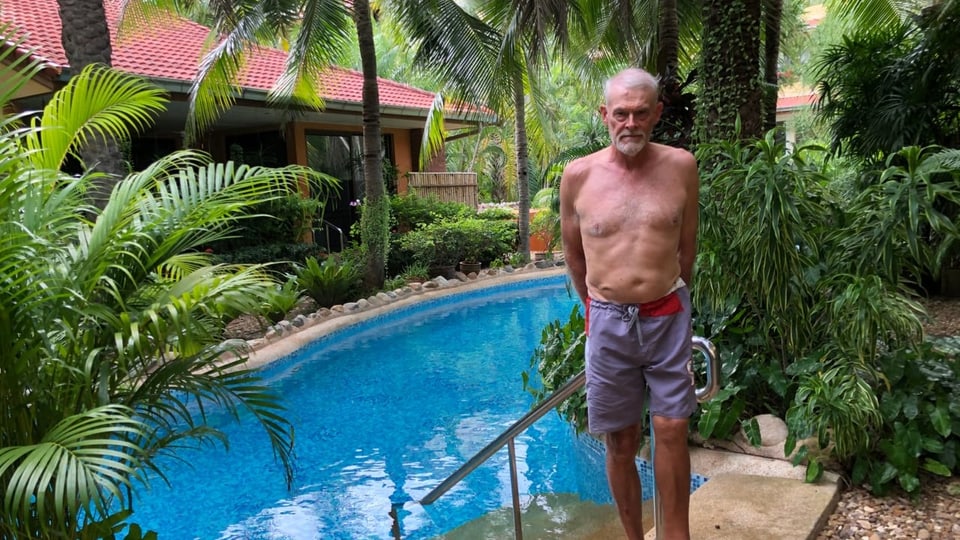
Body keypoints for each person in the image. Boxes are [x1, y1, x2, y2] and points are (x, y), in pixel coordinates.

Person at [559, 67, 699, 540]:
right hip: (608, 322)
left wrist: (666, 294)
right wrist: (599, 307)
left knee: (672, 428)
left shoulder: (681, 166)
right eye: (621, 113)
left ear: (657, 113)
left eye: (642, 113)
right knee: (619, 440)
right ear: (605, 115)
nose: (631, 123)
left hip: (666, 315)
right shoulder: (578, 177)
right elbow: (574, 258)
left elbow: (687, 249)